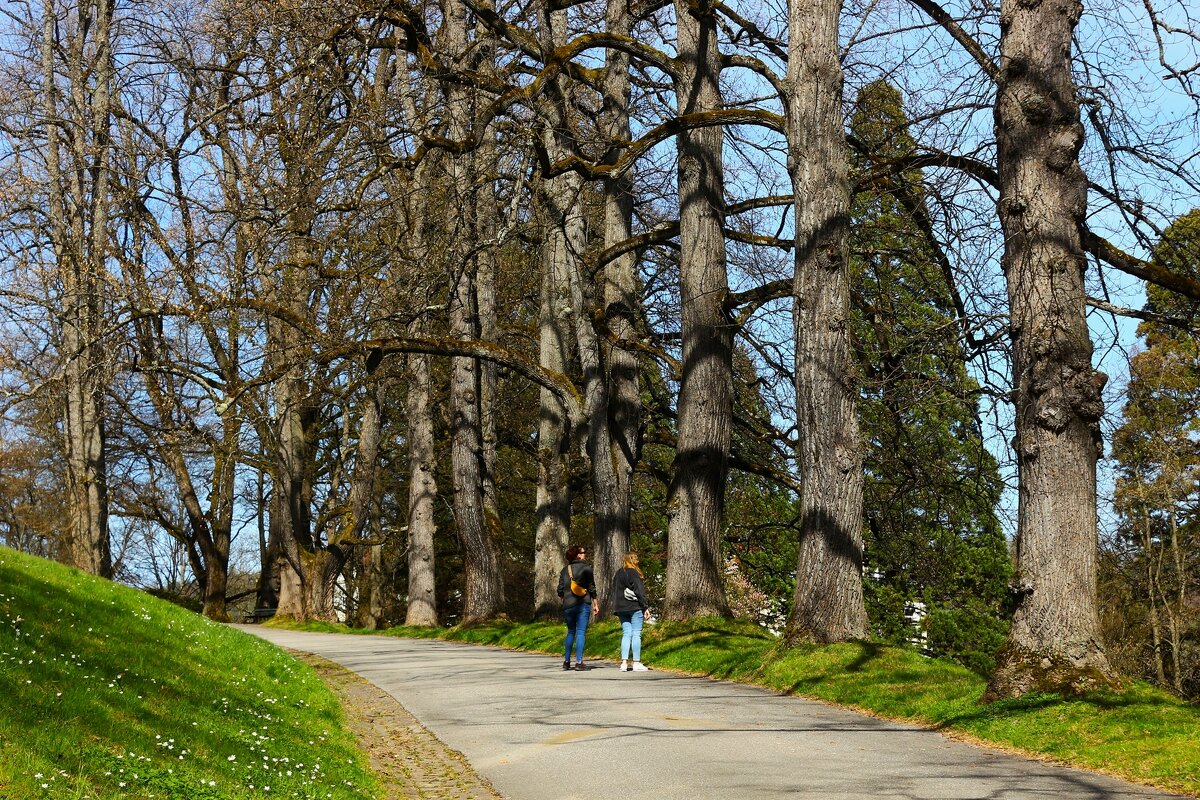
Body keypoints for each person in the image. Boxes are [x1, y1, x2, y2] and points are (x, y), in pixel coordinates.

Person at [557, 544, 598, 670]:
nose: (585, 554)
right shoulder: (586, 568)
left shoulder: (565, 570)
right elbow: (591, 587)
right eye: (583, 552)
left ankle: (566, 661)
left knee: (570, 632)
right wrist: (596, 604)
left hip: (568, 606)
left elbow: (559, 590)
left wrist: (565, 601)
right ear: (578, 555)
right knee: (580, 632)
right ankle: (579, 662)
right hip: (582, 604)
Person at [610, 552, 650, 672]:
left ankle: (624, 663)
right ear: (634, 560)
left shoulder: (618, 573)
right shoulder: (633, 572)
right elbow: (639, 591)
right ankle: (636, 662)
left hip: (621, 608)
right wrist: (645, 607)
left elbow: (615, 591)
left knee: (626, 633)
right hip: (634, 607)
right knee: (636, 633)